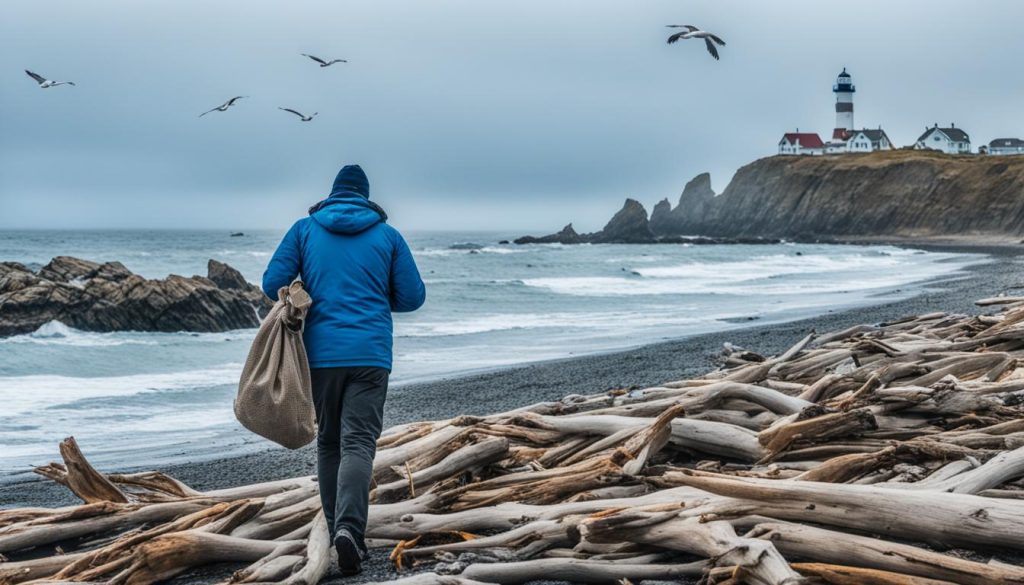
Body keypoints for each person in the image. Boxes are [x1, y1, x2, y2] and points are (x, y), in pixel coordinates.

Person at [262, 164, 425, 575]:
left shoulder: (305, 229)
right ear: (366, 197)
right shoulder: (388, 235)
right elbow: (412, 297)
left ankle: (340, 529)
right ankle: (350, 531)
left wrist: (309, 286)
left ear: (333, 193)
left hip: (319, 357)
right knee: (359, 444)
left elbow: (271, 283)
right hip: (371, 355)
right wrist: (373, 294)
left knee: (330, 442)